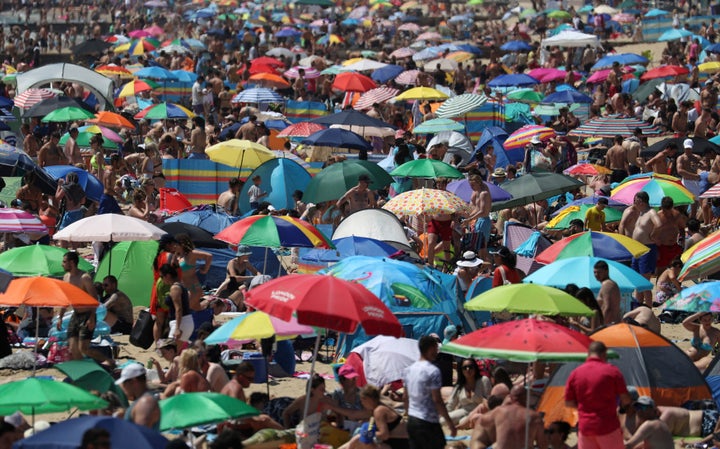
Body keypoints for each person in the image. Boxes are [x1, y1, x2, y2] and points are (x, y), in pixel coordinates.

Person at [565, 341, 631, 449]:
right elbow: (626, 399)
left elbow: (569, 403)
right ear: (604, 354)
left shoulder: (575, 373)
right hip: (608, 426)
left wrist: (584, 408)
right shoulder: (612, 371)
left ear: (588, 353)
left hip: (585, 427)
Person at [403, 335, 456, 449]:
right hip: (428, 421)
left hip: (413, 420)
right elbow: (437, 400)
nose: (437, 351)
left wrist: (409, 414)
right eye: (436, 348)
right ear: (430, 348)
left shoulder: (408, 370)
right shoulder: (433, 371)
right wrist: (449, 422)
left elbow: (405, 397)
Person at [57, 252, 106, 363]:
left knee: (83, 348)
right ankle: (81, 370)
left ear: (72, 263)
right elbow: (66, 299)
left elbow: (94, 299)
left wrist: (92, 318)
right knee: (72, 348)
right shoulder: (66, 277)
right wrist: (60, 317)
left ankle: (107, 360)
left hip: (87, 314)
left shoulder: (85, 278)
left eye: (64, 262)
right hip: (76, 314)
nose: (62, 264)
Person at [337, 385, 409, 449]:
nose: (362, 404)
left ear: (368, 399)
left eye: (362, 401)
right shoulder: (377, 409)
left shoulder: (379, 411)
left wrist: (366, 433)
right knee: (357, 438)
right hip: (393, 443)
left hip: (399, 445)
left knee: (359, 439)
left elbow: (384, 435)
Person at [623, 191, 660, 307]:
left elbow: (658, 224)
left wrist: (653, 236)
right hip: (637, 250)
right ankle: (639, 304)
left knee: (644, 282)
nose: (634, 203)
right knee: (637, 280)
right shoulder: (641, 213)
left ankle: (648, 306)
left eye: (635, 200)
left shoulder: (651, 212)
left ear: (640, 201)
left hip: (647, 248)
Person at [480, 385, 547, 449]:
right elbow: (543, 445)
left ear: (510, 397)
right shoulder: (534, 417)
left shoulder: (498, 414)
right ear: (526, 398)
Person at [446, 358, 491, 429]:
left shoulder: (484, 380)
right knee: (443, 420)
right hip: (464, 411)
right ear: (461, 370)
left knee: (464, 421)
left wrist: (478, 397)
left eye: (470, 367)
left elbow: (488, 402)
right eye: (464, 368)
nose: (468, 369)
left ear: (475, 368)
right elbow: (451, 404)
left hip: (480, 411)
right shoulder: (459, 386)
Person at [116, 363, 161, 430]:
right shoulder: (144, 399)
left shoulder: (145, 402)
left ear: (134, 381)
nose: (123, 387)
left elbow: (141, 434)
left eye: (124, 383)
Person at [176, 233, 212, 310]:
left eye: (176, 244)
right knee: (196, 309)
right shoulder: (178, 256)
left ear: (182, 244)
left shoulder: (191, 254)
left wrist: (205, 269)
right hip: (184, 288)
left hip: (193, 288)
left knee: (185, 310)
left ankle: (209, 302)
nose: (174, 246)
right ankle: (209, 305)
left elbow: (209, 256)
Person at [159, 263, 194, 343]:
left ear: (167, 275)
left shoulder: (175, 288)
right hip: (185, 321)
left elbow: (178, 309)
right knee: (174, 352)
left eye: (162, 277)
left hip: (180, 323)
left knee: (169, 350)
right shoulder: (181, 285)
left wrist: (177, 328)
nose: (161, 279)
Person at [466, 174, 492, 260]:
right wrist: (468, 216)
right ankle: (485, 267)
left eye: (473, 185)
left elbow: (482, 211)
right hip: (480, 220)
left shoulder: (483, 194)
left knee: (482, 248)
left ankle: (488, 267)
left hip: (484, 221)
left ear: (478, 183)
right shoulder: (479, 192)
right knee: (480, 248)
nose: (471, 187)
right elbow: (477, 209)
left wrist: (469, 219)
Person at [593, 260, 621, 325]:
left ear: (606, 271)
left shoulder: (607, 285)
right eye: (594, 272)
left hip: (609, 324)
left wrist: (601, 326)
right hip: (612, 323)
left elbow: (608, 307)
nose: (596, 275)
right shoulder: (610, 284)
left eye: (599, 272)